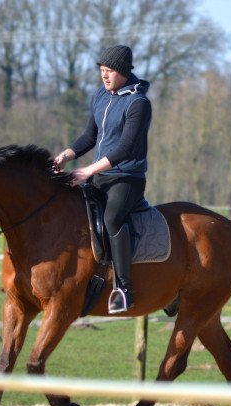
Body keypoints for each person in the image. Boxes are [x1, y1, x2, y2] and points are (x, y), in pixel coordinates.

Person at [54, 45, 152, 314]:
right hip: (99, 175)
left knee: (111, 219)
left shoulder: (138, 103)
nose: (104, 76)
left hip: (127, 177)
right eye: (101, 71)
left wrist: (87, 171)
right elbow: (89, 137)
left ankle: (124, 290)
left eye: (109, 71)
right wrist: (66, 155)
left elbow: (126, 148)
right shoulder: (100, 96)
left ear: (122, 72)